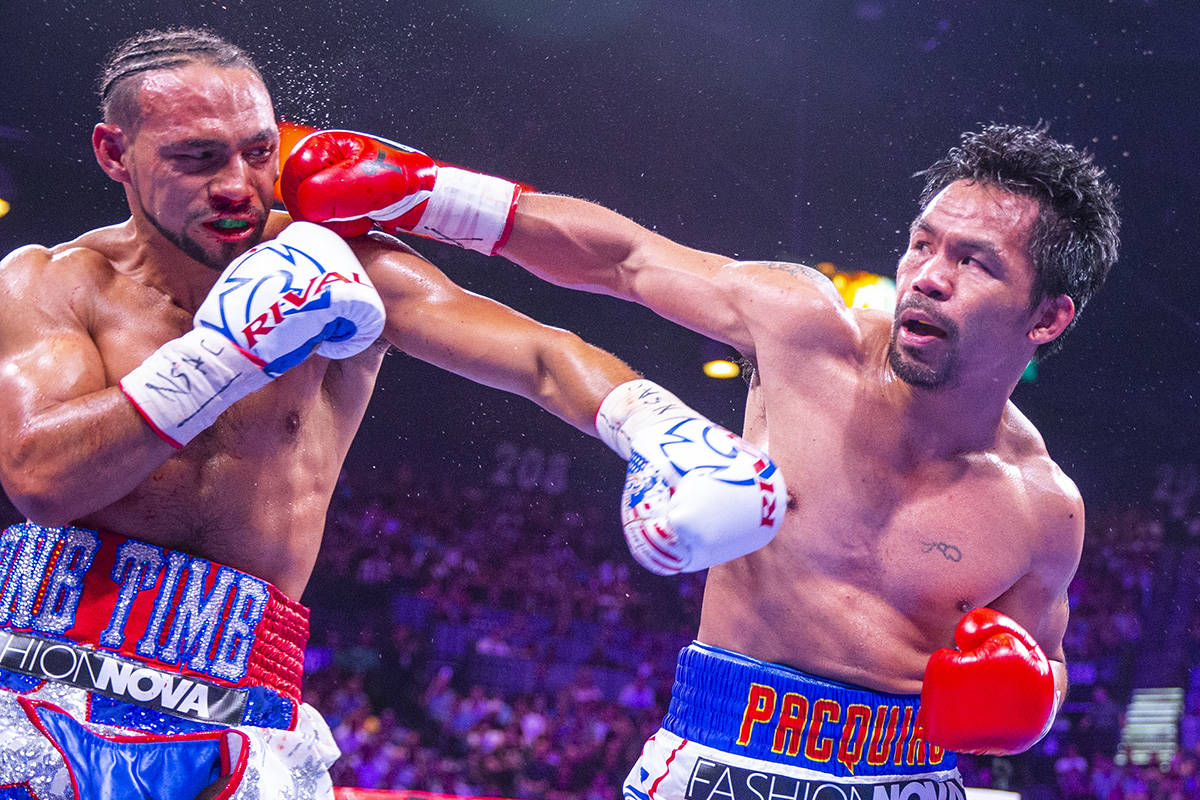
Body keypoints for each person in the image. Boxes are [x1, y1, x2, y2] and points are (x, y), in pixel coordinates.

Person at [0, 28, 784, 799]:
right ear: (115, 153)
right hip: (43, 678)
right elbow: (41, 476)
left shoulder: (338, 258)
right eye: (198, 157)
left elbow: (540, 357)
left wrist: (660, 429)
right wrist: (226, 352)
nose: (238, 183)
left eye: (259, 150)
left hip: (240, 698)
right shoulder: (51, 285)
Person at [283, 122, 1120, 798]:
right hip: (716, 759)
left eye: (973, 262)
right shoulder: (805, 334)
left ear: (1047, 318)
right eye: (923, 245)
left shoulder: (1044, 508)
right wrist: (429, 194)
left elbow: (1036, 670)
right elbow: (625, 257)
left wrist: (1026, 697)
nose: (927, 279)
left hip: (904, 779)